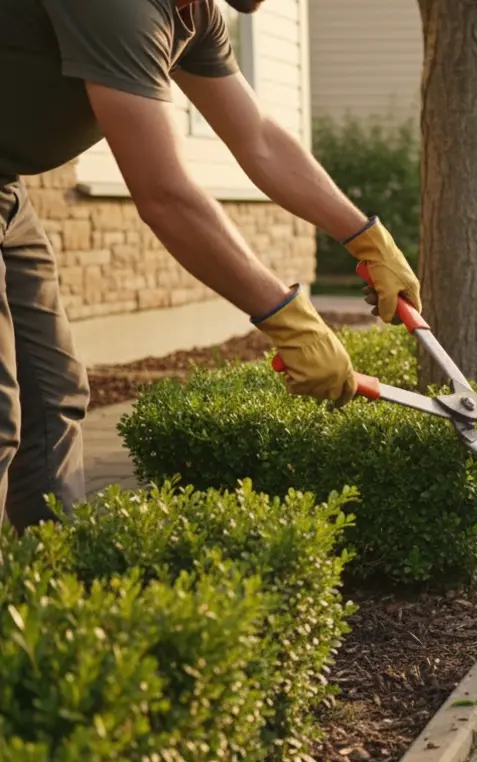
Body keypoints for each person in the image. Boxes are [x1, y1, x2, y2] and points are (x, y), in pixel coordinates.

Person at [0, 0, 422, 531]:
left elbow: (260, 140)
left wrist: (367, 239)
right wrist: (289, 320)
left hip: (7, 188)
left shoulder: (193, 15)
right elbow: (165, 195)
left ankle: (41, 590)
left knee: (51, 397)